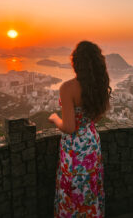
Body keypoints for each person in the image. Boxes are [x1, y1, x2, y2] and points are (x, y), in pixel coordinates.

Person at [48, 40, 112, 218]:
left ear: (76, 62)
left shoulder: (68, 88)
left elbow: (69, 127)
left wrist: (54, 118)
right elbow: (96, 117)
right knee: (91, 187)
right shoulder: (97, 86)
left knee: (72, 190)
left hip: (74, 149)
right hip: (92, 141)